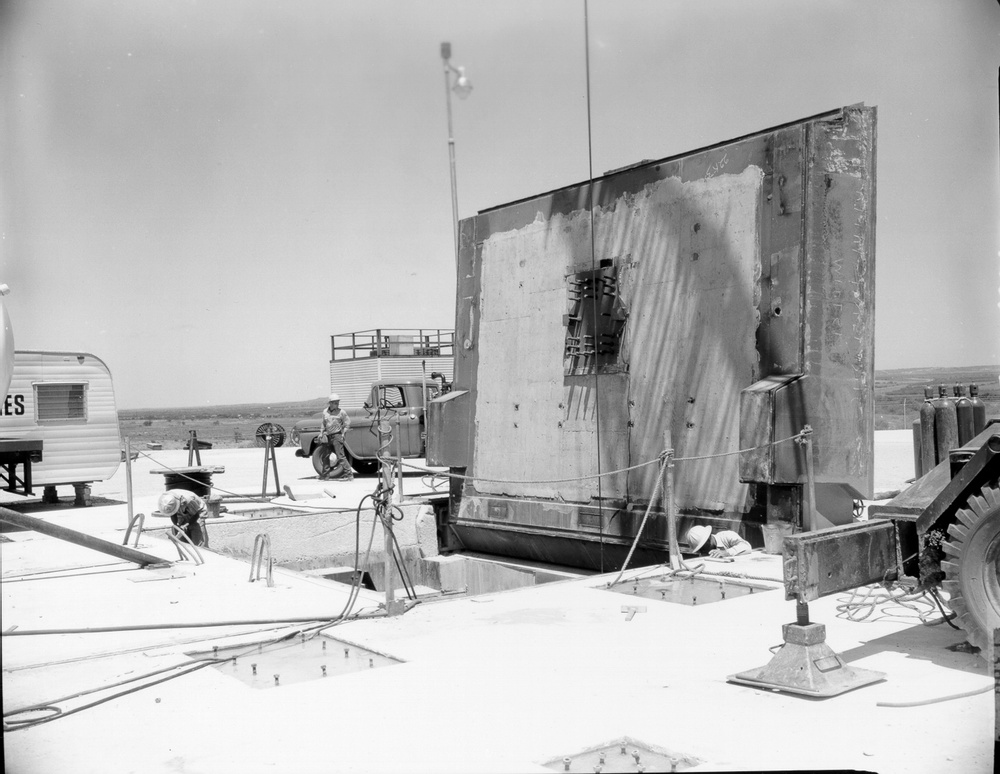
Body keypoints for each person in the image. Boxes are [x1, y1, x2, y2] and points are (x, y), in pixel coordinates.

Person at [317, 393, 353, 480]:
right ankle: (325, 475)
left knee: (340, 456)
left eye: (338, 402)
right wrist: (321, 432)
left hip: (337, 435)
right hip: (327, 435)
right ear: (331, 403)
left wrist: (343, 433)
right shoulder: (325, 412)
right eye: (336, 403)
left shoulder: (341, 412)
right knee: (325, 456)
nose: (337, 404)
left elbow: (347, 423)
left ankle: (349, 475)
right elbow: (323, 423)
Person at [682, 525, 751, 558]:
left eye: (703, 548)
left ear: (708, 539)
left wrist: (726, 552)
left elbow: (747, 547)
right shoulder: (703, 553)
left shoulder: (727, 536)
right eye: (700, 550)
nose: (702, 552)